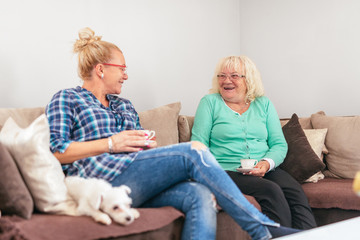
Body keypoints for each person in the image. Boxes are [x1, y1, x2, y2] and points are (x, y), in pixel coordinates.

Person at [46, 28, 300, 240]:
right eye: (121, 68)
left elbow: (136, 151)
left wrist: (146, 146)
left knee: (198, 194)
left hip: (135, 181)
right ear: (101, 69)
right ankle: (263, 230)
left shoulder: (123, 105)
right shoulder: (67, 98)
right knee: (193, 151)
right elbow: (57, 151)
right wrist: (111, 143)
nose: (126, 75)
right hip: (101, 182)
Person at [191, 55, 317, 230]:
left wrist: (266, 163)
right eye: (222, 76)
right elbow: (198, 144)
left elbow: (279, 144)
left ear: (248, 79)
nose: (226, 80)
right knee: (271, 191)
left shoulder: (264, 104)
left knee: (295, 191)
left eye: (234, 75)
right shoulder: (209, 103)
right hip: (227, 170)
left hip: (263, 168)